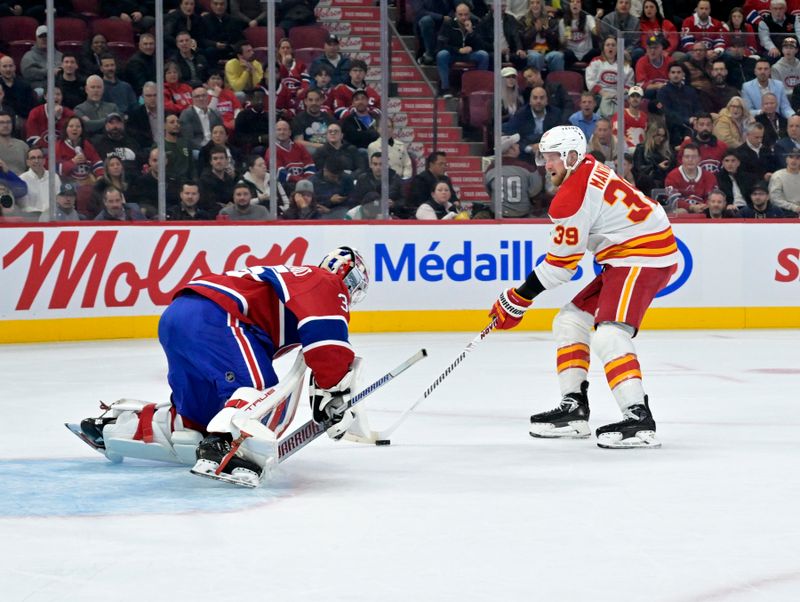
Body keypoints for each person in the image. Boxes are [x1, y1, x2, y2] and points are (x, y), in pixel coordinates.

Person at [76, 247, 370, 484]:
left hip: (180, 315)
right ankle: (227, 447)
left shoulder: (301, 280)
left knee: (200, 416)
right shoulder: (327, 283)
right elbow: (326, 345)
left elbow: (315, 348)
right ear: (351, 279)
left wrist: (328, 389)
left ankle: (121, 427)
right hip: (217, 319)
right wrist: (335, 392)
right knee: (261, 400)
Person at [488, 125, 678, 449]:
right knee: (570, 320)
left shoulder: (572, 196)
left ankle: (638, 419)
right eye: (544, 158)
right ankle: (573, 410)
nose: (546, 165)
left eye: (552, 158)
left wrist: (518, 298)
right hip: (628, 253)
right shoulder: (586, 167)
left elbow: (561, 267)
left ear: (572, 156)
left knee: (609, 333)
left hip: (645, 255)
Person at [435, 2, 490, 98]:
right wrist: (458, 50)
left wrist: (471, 32)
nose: (463, 17)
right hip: (453, 54)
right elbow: (441, 45)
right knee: (442, 55)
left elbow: (481, 45)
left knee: (483, 55)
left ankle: (478, 87)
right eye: (460, 15)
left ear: (469, 14)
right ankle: (445, 88)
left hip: (469, 55)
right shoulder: (448, 24)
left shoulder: (475, 23)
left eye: (466, 14)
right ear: (456, 14)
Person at [484, 133, 543, 217]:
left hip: (497, 215)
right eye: (516, 144)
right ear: (511, 149)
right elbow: (535, 191)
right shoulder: (527, 168)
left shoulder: (490, 169)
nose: (518, 145)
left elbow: (488, 190)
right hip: (522, 214)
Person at [665, 143, 717, 213]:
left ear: (699, 158)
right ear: (682, 159)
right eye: (687, 157)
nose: (690, 160)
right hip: (683, 212)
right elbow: (672, 199)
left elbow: (714, 197)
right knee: (682, 212)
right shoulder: (672, 176)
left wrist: (704, 206)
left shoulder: (709, 176)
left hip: (704, 210)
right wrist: (691, 207)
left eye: (694, 157)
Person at [18, 147, 61, 220]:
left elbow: (59, 200)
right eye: (33, 158)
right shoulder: (22, 179)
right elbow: (24, 206)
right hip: (31, 218)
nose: (36, 161)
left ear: (44, 160)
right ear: (27, 162)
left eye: (39, 157)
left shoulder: (54, 177)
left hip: (53, 218)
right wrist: (42, 215)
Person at [20, 25, 62, 94]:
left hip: (57, 88)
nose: (44, 39)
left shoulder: (60, 56)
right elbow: (28, 74)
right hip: (38, 88)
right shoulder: (28, 56)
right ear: (36, 38)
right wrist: (49, 72)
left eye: (46, 37)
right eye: (41, 37)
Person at [767, 147, 800, 215]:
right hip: (785, 211)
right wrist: (794, 208)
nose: (794, 160)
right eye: (791, 157)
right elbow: (775, 199)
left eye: (797, 158)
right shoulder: (778, 176)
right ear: (786, 159)